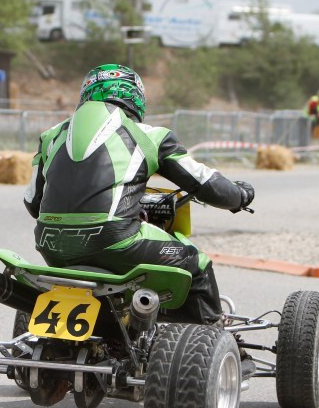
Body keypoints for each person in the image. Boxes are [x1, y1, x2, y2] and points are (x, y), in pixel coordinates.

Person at [24, 63, 254, 331]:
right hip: (117, 242)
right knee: (196, 263)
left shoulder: (50, 136)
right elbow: (207, 184)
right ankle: (211, 344)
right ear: (135, 97)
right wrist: (240, 195)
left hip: (52, 247)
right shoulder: (150, 136)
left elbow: (33, 203)